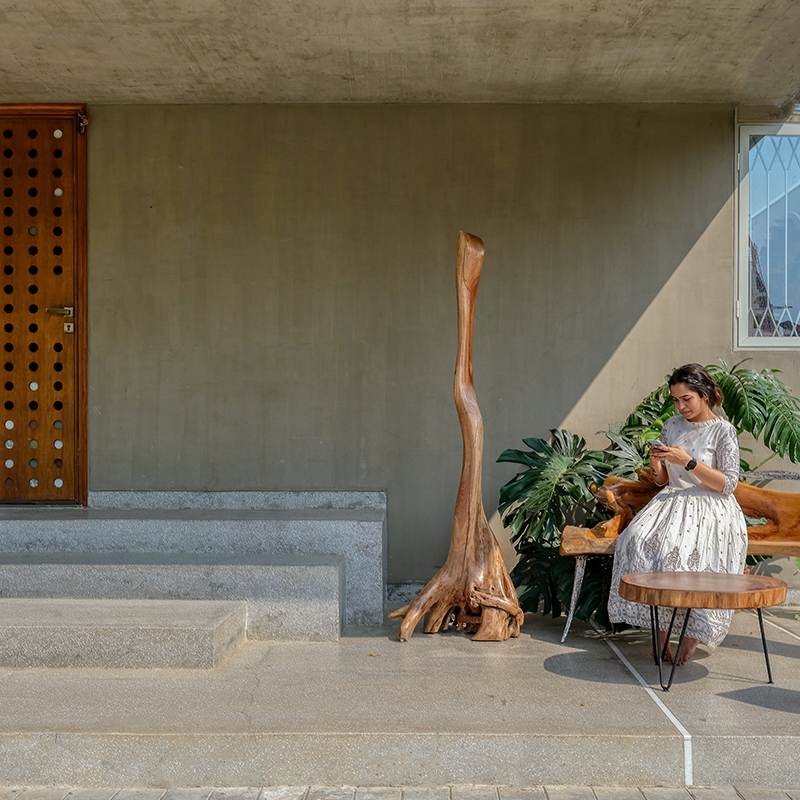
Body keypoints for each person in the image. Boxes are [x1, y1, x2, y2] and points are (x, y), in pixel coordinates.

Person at [607, 364, 748, 665]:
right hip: (671, 501)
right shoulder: (672, 425)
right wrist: (656, 461)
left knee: (682, 554)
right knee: (637, 541)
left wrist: (688, 462)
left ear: (705, 394)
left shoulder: (723, 430)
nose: (681, 406)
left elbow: (728, 484)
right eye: (676, 400)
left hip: (711, 506)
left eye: (687, 399)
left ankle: (692, 632)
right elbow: (662, 481)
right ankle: (659, 634)